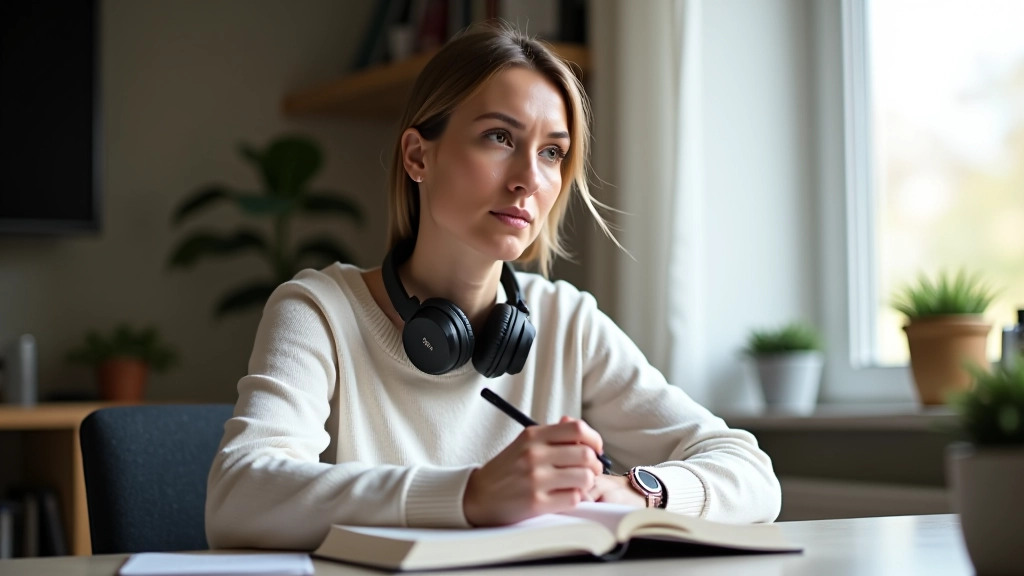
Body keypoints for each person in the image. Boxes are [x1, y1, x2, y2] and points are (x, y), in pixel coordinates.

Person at [205, 23, 781, 551]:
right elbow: (239, 496)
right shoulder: (320, 312)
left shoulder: (567, 322)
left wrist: (641, 491)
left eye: (552, 152)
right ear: (418, 156)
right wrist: (471, 494)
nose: (529, 178)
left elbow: (751, 472)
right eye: (499, 137)